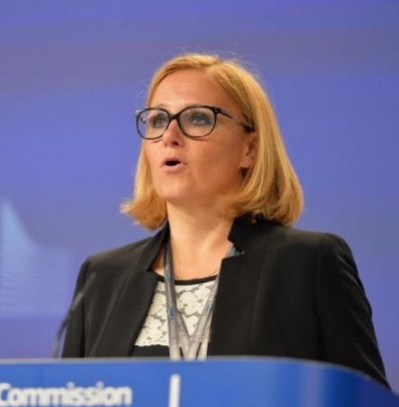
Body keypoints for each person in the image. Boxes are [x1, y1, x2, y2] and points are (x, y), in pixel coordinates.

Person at [61, 53, 388, 387]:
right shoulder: (102, 277)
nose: (169, 135)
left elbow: (365, 398)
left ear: (249, 150)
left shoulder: (308, 264)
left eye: (198, 118)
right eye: (157, 120)